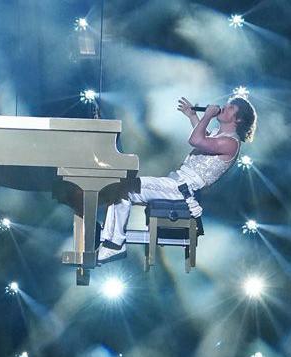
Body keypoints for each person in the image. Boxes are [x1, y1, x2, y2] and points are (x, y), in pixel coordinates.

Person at [97, 95, 257, 263]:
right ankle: (111, 239)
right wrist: (193, 116)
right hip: (176, 183)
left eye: (231, 108)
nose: (224, 107)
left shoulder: (231, 143)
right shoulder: (220, 135)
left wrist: (208, 116)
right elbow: (205, 138)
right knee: (121, 189)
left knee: (124, 189)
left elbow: (196, 140)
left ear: (238, 119)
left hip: (181, 189)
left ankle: (114, 244)